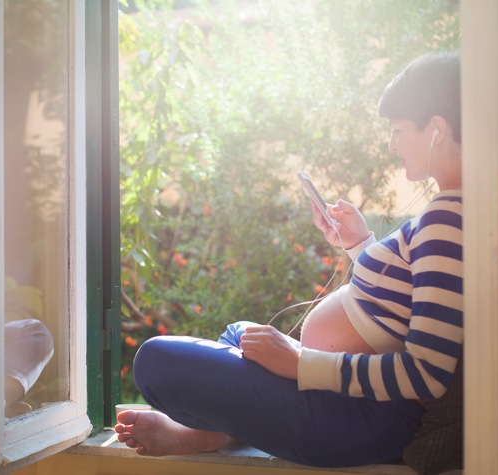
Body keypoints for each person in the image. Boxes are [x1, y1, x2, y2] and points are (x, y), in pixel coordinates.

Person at [115, 51, 463, 468]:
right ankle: (215, 432)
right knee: (241, 333)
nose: (392, 144)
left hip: (366, 418)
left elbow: (426, 373)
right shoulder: (452, 212)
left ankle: (217, 430)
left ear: (438, 130)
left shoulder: (448, 217)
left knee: (156, 361)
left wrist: (300, 363)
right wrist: (357, 243)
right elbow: (404, 301)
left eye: (398, 130)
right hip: (354, 405)